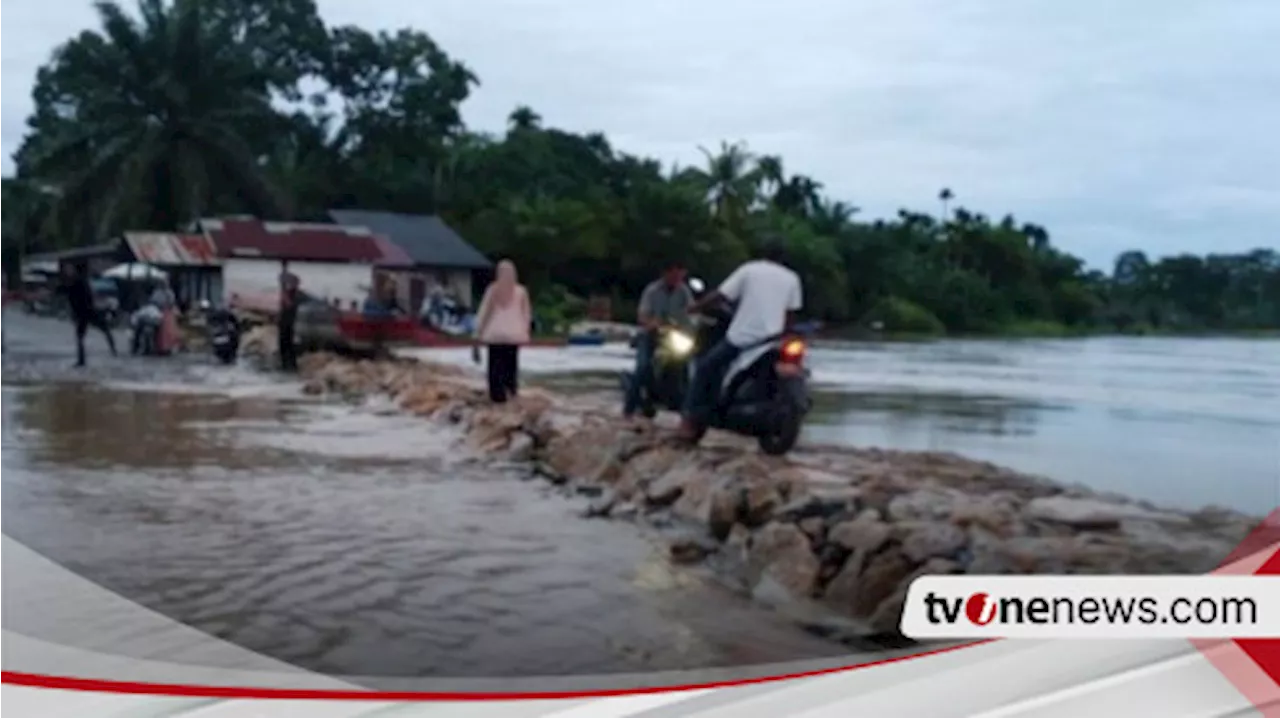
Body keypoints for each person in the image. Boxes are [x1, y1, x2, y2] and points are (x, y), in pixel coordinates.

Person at [677, 238, 803, 440]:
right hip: (772, 340)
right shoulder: (792, 278)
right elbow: (791, 313)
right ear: (784, 258)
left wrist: (696, 307)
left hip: (743, 337)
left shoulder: (749, 270)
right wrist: (783, 334)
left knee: (705, 368)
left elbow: (722, 295)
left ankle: (688, 420)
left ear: (763, 253)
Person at [624, 259, 694, 419]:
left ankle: (687, 408)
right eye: (674, 275)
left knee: (685, 366)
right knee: (643, 367)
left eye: (680, 275)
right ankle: (628, 409)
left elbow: (691, 312)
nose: (677, 279)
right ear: (665, 273)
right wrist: (651, 323)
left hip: (674, 336)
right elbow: (642, 315)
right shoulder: (652, 290)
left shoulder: (684, 291)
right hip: (651, 335)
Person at [473, 259, 531, 404]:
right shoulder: (521, 291)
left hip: (495, 334)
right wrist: (525, 331)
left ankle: (497, 397)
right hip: (514, 335)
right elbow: (526, 315)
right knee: (511, 366)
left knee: (494, 367)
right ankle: (511, 393)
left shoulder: (493, 290)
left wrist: (477, 336)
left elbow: (485, 313)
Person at [58, 263, 118, 367]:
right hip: (81, 314)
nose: (67, 272)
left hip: (89, 311)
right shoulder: (71, 283)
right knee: (80, 337)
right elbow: (62, 290)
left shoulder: (79, 282)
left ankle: (113, 350)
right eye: (66, 270)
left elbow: (84, 295)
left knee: (105, 329)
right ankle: (81, 360)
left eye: (69, 270)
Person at [278, 260, 301, 371]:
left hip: (289, 324)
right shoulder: (290, 293)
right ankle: (286, 365)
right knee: (284, 346)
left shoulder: (294, 295)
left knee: (288, 346)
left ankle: (290, 366)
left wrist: (283, 286)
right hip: (285, 323)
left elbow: (287, 303)